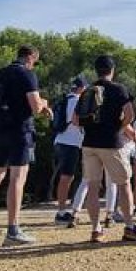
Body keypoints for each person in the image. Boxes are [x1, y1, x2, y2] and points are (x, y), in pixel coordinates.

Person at [0, 45, 51, 246]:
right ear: (31, 58)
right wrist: (44, 103)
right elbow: (35, 107)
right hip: (20, 132)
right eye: (35, 61)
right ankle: (13, 230)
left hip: (0, 131)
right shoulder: (27, 74)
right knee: (17, 178)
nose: (34, 65)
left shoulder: (0, 74)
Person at [76, 55, 136, 242]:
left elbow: (76, 120)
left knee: (93, 187)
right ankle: (130, 226)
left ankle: (95, 229)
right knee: (124, 184)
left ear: (96, 70)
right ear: (112, 70)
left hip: (89, 143)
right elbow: (130, 115)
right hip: (111, 143)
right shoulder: (119, 89)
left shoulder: (87, 91)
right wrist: (119, 128)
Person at [52, 77, 88, 225]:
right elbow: (76, 121)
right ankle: (61, 212)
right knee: (66, 177)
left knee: (67, 176)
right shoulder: (77, 101)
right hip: (70, 143)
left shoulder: (66, 99)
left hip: (61, 140)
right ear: (81, 88)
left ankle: (62, 209)